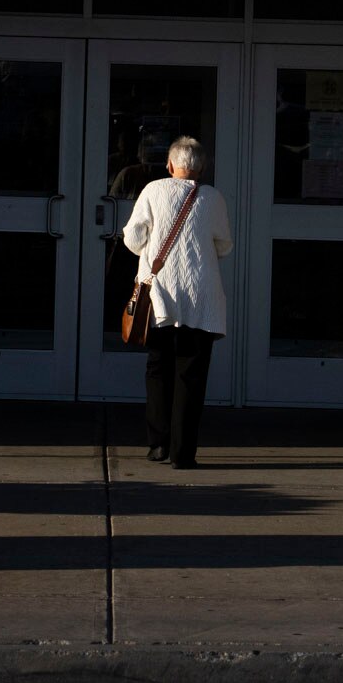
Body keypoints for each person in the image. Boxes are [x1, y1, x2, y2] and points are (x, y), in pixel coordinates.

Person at [121, 136, 233, 469]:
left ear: (170, 165)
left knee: (158, 368)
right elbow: (224, 245)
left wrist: (151, 250)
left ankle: (158, 445)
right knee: (191, 375)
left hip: (161, 296)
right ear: (201, 168)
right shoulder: (213, 198)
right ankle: (183, 453)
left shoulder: (153, 190)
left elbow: (133, 238)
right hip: (200, 298)